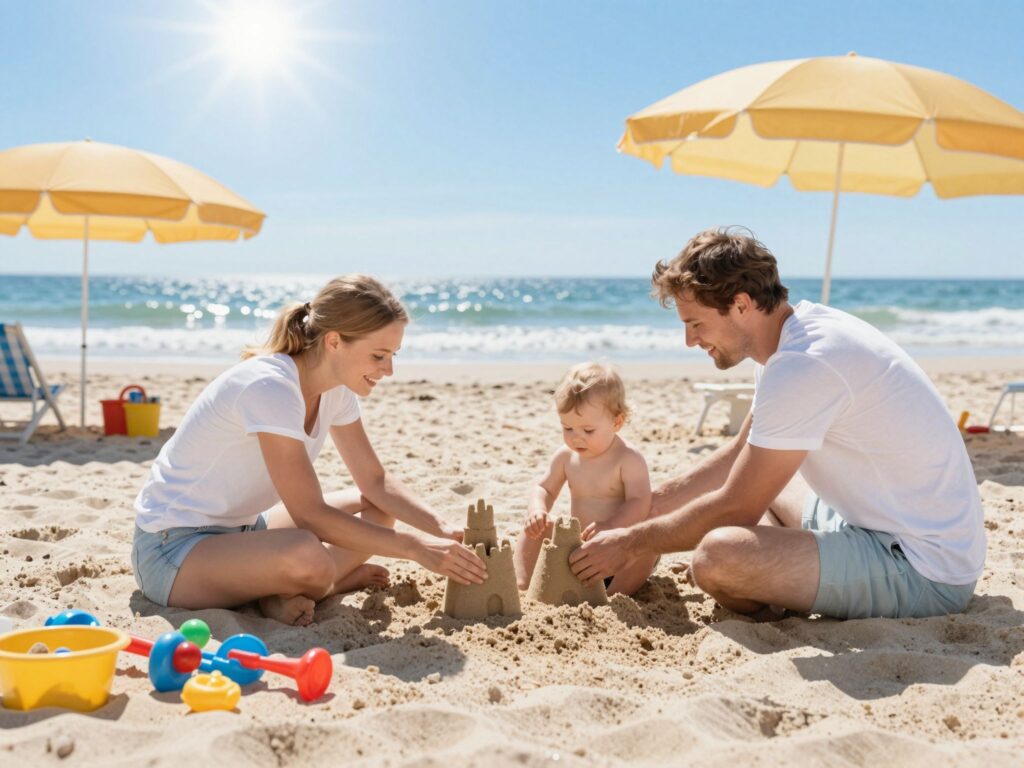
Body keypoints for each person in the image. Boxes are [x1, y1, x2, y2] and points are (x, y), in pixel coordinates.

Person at [570, 228, 986, 620]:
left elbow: (738, 505)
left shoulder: (803, 364)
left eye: (695, 324)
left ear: (742, 305)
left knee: (717, 557)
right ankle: (788, 575)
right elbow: (738, 455)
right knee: (760, 479)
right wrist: (650, 506)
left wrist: (630, 541)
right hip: (872, 521)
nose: (690, 341)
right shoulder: (790, 341)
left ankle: (778, 596)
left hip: (923, 566)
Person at [132, 274, 486, 626]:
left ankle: (288, 589)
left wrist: (442, 528)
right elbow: (310, 514)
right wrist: (414, 547)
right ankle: (315, 585)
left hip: (244, 530)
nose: (388, 370)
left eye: (393, 355)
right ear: (334, 342)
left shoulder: (336, 389)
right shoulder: (270, 386)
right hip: (172, 550)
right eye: (378, 355)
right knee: (308, 554)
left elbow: (375, 481)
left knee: (376, 508)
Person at [513, 362, 657, 595]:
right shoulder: (565, 456)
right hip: (578, 548)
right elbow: (544, 488)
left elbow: (639, 502)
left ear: (616, 422)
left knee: (647, 547)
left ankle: (613, 596)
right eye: (567, 428)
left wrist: (610, 526)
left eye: (588, 431)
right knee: (535, 527)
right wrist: (537, 510)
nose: (576, 438)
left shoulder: (628, 459)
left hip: (618, 550)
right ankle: (521, 584)